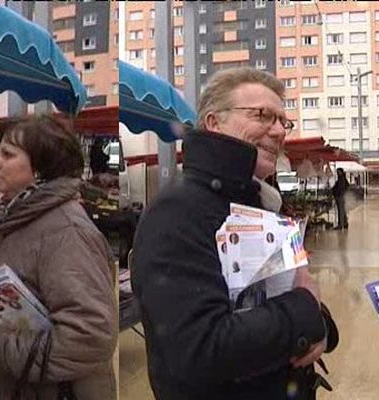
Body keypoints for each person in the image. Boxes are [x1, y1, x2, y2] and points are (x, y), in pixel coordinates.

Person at [131, 68, 338, 400]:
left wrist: (320, 325)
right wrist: (303, 311)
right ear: (214, 123)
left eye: (283, 121)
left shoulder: (262, 204)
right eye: (262, 116)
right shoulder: (178, 213)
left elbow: (286, 295)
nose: (278, 131)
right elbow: (200, 349)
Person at [0, 116, 117, 400]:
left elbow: (89, 337)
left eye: (7, 154)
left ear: (40, 170)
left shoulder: (66, 231)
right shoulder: (13, 214)